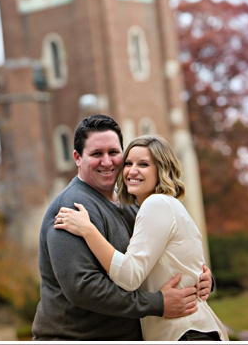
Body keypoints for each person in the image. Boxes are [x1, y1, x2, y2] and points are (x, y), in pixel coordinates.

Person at [32, 114, 213, 341]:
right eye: (97, 154)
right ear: (78, 158)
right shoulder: (72, 208)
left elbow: (158, 258)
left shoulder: (134, 205)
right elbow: (83, 288)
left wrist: (201, 280)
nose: (107, 162)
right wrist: (157, 303)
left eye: (114, 153)